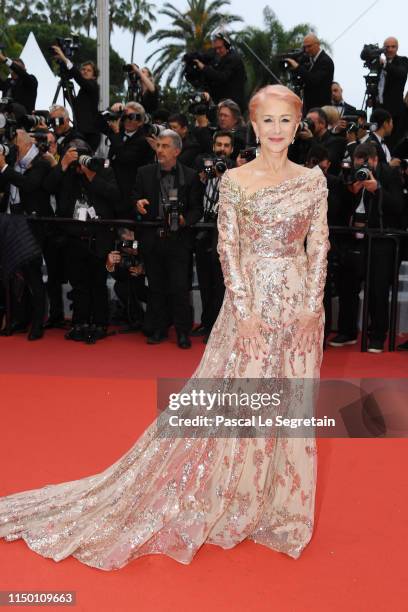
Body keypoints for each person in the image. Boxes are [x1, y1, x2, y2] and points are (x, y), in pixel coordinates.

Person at [0, 84, 329, 569]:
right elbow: (227, 251)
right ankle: (234, 493)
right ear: (253, 126)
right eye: (268, 121)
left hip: (300, 307)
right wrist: (246, 310)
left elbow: (319, 246)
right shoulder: (237, 180)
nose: (277, 130)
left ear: (297, 126)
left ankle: (279, 505)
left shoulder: (313, 181)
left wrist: (311, 306)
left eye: (286, 120)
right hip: (252, 305)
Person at [133, 129, 204, 349]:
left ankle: (183, 332)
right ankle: (159, 329)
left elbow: (197, 209)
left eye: (164, 146)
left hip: (178, 240)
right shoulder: (144, 173)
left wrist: (184, 220)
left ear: (177, 150)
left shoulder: (190, 176)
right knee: (156, 288)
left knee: (179, 289)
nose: (159, 150)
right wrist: (137, 204)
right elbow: (134, 197)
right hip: (153, 239)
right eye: (158, 146)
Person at [51, 46, 100, 152]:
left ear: (94, 76)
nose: (85, 72)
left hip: (90, 135)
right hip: (81, 131)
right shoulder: (83, 90)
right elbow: (77, 106)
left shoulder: (93, 85)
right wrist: (66, 89)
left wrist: (64, 58)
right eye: (83, 69)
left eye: (89, 70)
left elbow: (79, 78)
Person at [193, 33, 247, 111]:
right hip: (223, 104)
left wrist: (204, 67)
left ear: (227, 45)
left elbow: (221, 77)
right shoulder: (221, 57)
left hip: (233, 106)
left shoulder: (233, 59)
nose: (217, 51)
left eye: (220, 48)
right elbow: (205, 57)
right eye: (215, 49)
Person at [285, 33, 334, 114]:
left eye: (309, 46)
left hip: (321, 110)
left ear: (317, 45)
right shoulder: (309, 60)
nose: (307, 50)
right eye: (305, 47)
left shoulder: (325, 61)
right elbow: (304, 81)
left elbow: (313, 80)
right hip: (308, 109)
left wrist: (297, 67)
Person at [376, 37, 408, 151]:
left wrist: (385, 65)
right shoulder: (379, 64)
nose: (390, 49)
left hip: (395, 112)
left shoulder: (403, 61)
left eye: (393, 47)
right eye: (387, 47)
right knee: (378, 143)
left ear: (397, 48)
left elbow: (401, 74)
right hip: (379, 109)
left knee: (392, 144)